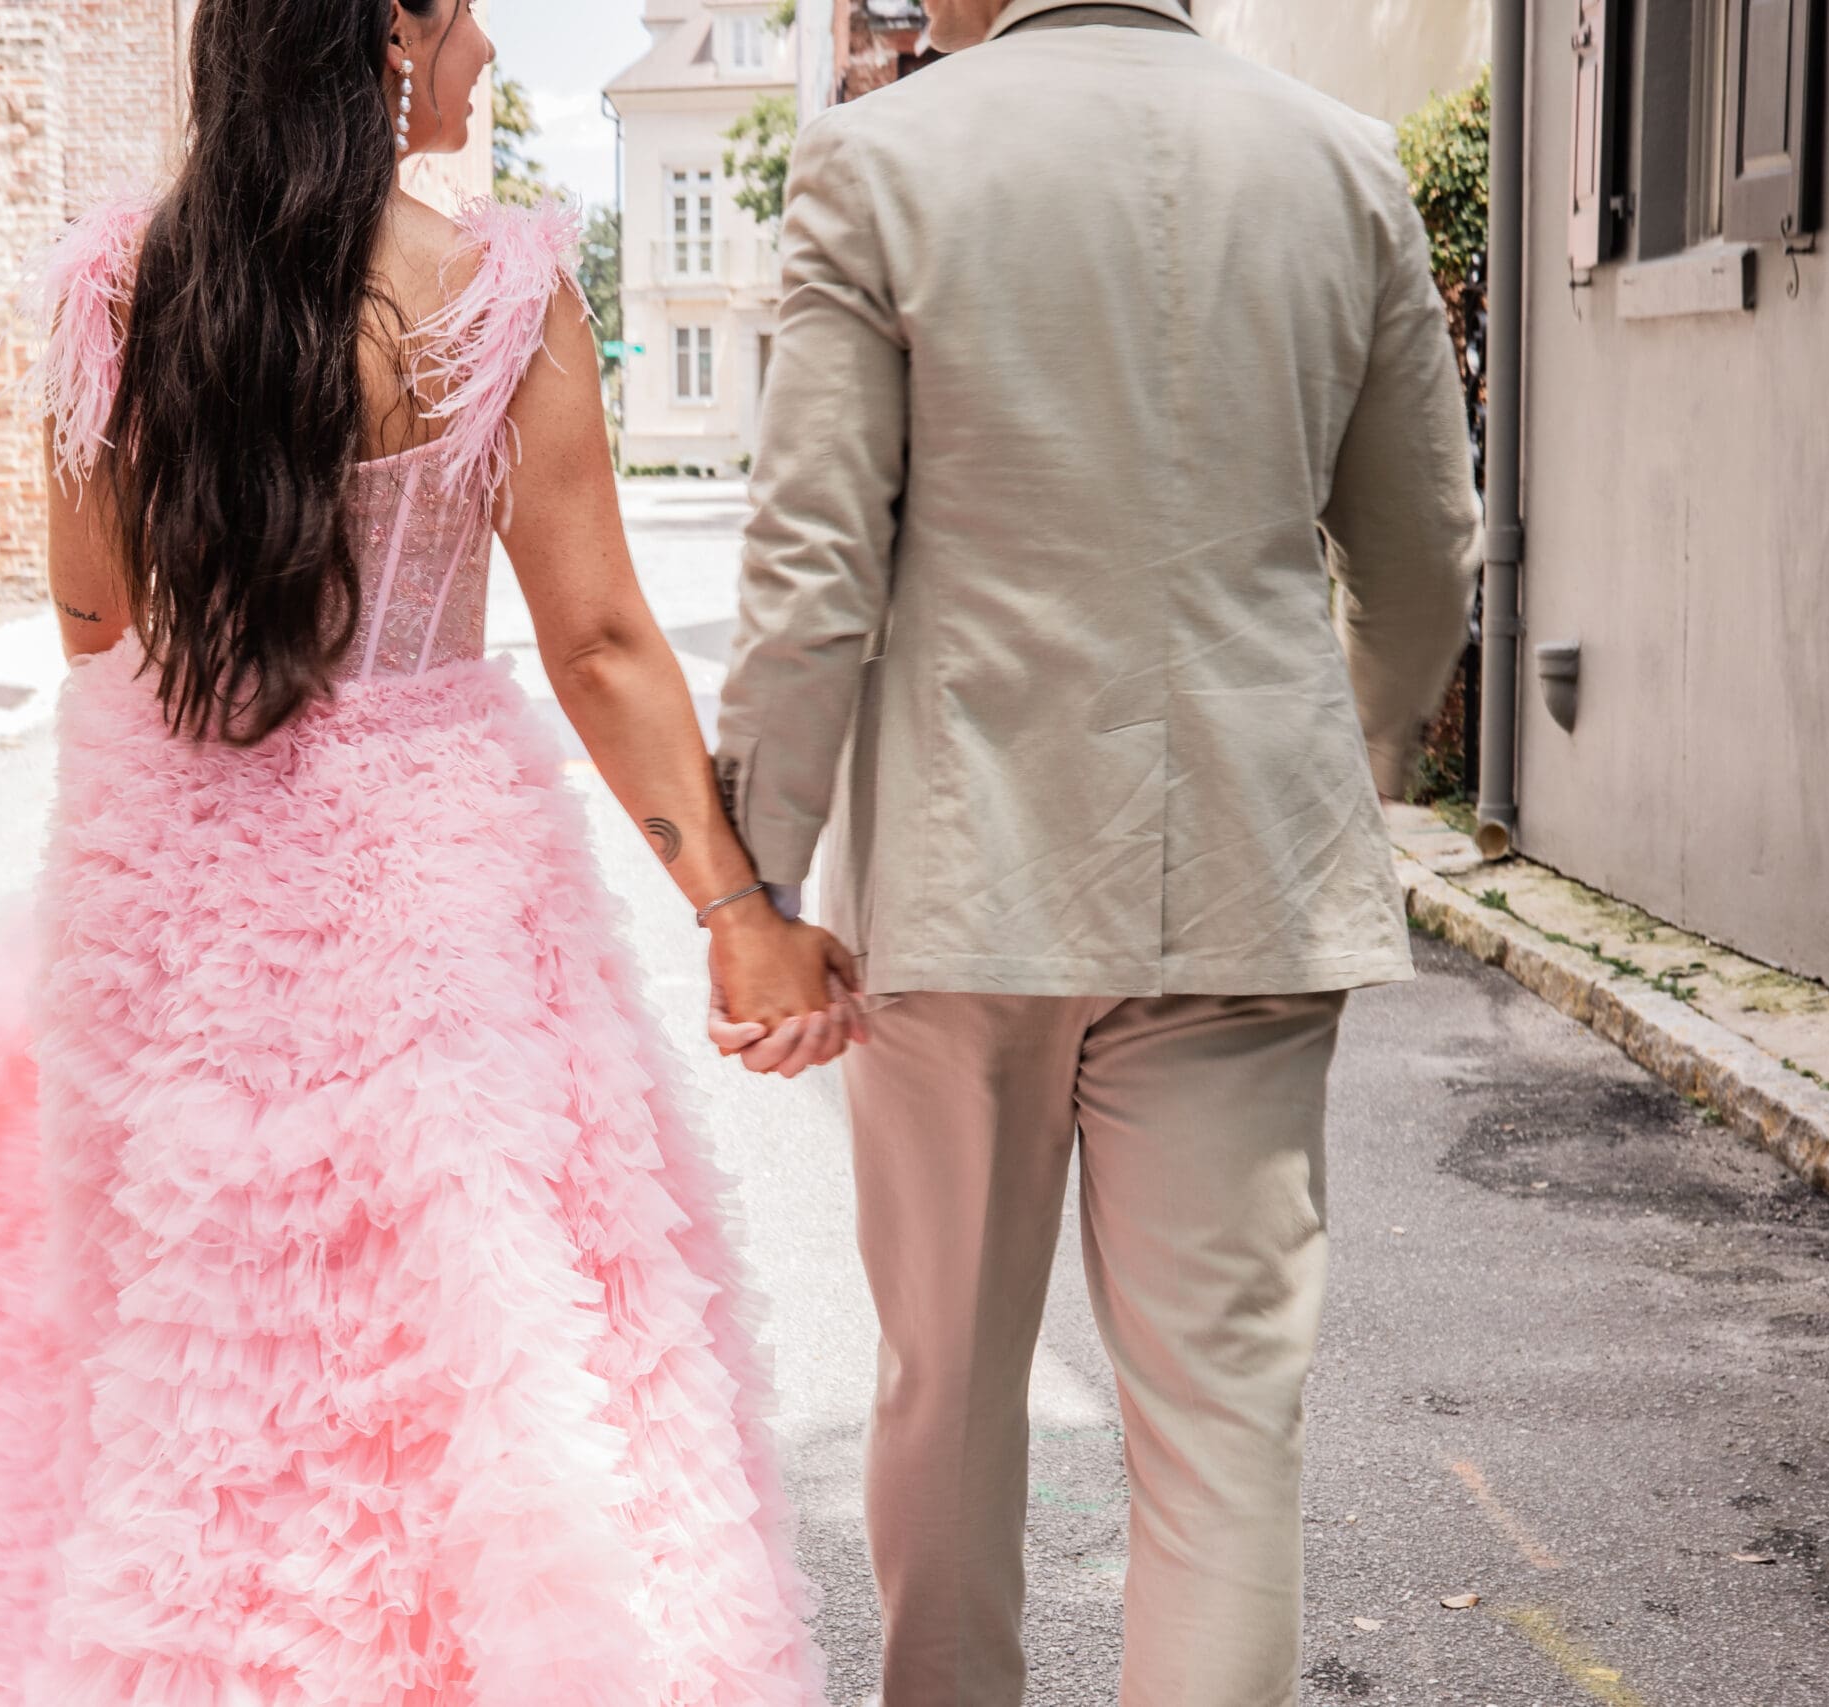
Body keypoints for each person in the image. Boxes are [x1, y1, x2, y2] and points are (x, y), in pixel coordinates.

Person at [0, 3, 843, 1701]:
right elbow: (595, 643)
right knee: (461, 1333)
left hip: (176, 885)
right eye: (461, 15)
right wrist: (738, 912)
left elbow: (92, 621)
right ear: (383, 31)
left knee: (195, 1348)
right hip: (431, 885)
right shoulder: (495, 298)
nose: (490, 53)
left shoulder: (115, 296)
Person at [712, 1, 1483, 1702]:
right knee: (1221, 1434)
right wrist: (1324, 767)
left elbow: (813, 572)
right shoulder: (1344, 169)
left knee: (949, 1389)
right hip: (1245, 880)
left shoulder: (880, 159)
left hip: (961, 887)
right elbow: (1428, 555)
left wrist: (757, 884)